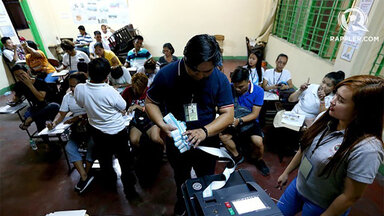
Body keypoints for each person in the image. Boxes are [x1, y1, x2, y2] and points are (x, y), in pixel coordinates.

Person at [145, 34, 234, 215]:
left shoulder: (219, 78)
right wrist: (161, 124)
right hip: (177, 140)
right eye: (195, 71)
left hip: (207, 142)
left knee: (206, 177)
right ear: (185, 59)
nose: (201, 76)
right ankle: (182, 201)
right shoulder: (167, 74)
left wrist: (204, 131)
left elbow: (228, 114)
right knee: (181, 176)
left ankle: (203, 205)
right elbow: (150, 103)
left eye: (206, 72)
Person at [276, 75, 384, 216]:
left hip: (321, 205)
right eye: (335, 95)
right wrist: (286, 172)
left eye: (341, 100)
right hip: (298, 187)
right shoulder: (324, 119)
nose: (332, 101)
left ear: (361, 111)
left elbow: (350, 196)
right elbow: (304, 148)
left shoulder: (367, 149)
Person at [74, 58, 139, 201]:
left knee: (105, 160)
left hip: (97, 132)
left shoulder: (80, 88)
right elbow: (123, 106)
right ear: (107, 75)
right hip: (117, 132)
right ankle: (130, 192)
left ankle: (111, 185)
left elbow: (80, 103)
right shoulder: (109, 91)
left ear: (88, 73)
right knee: (125, 162)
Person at [46, 72, 94, 193]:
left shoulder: (91, 95)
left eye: (74, 86)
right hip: (77, 129)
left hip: (92, 127)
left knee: (92, 145)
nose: (71, 89)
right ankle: (84, 176)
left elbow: (96, 112)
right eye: (70, 86)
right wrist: (54, 123)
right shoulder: (68, 97)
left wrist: (79, 117)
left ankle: (85, 175)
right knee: (69, 147)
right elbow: (61, 114)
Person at [219, 67, 270, 175]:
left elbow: (255, 114)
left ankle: (259, 160)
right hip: (233, 120)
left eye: (241, 87)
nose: (237, 89)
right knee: (223, 137)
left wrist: (239, 120)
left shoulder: (258, 91)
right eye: (235, 86)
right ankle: (237, 156)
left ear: (248, 81)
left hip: (249, 122)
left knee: (258, 142)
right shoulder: (230, 88)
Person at [10, 64, 60, 132]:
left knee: (54, 106)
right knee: (38, 117)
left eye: (22, 74)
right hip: (37, 109)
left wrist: (29, 85)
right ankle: (45, 140)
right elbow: (16, 99)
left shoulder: (39, 82)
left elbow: (41, 99)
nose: (20, 77)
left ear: (27, 72)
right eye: (17, 76)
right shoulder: (20, 85)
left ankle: (30, 119)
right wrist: (14, 99)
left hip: (48, 106)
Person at [122, 73, 163, 149]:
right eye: (134, 88)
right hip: (135, 121)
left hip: (150, 119)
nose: (135, 91)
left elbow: (156, 108)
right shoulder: (127, 91)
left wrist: (138, 106)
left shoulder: (150, 91)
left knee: (156, 139)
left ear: (144, 88)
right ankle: (141, 154)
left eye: (139, 90)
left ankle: (164, 150)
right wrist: (124, 110)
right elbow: (121, 106)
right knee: (133, 140)